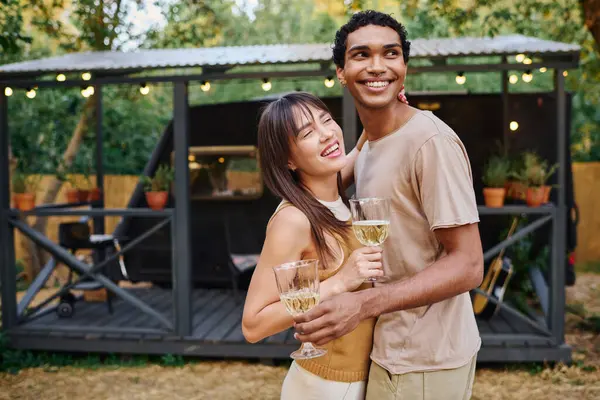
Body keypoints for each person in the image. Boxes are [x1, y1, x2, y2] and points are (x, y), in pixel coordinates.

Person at [293, 10, 484, 400]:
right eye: (361, 55)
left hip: (425, 360)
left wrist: (362, 303)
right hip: (387, 350)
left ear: (404, 67)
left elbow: (468, 265)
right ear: (341, 72)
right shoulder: (369, 147)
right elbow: (321, 186)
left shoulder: (430, 142)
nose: (377, 65)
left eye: (390, 54)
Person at [241, 90, 407, 400]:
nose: (326, 134)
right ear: (288, 159)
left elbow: (354, 151)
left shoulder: (332, 195)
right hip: (326, 387)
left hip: (362, 381)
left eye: (327, 120)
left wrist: (386, 107)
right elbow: (253, 325)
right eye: (307, 133)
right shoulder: (294, 221)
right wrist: (339, 283)